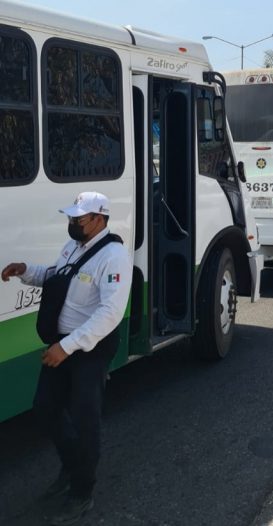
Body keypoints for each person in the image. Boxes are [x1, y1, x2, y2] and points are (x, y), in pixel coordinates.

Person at [1, 192, 131, 525]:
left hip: (89, 349)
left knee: (85, 420)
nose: (72, 224)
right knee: (44, 409)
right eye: (71, 218)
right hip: (63, 345)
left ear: (99, 219)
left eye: (79, 219)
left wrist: (68, 346)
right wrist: (25, 271)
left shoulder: (114, 256)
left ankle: (82, 492)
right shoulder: (74, 246)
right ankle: (72, 467)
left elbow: (109, 314)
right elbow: (57, 275)